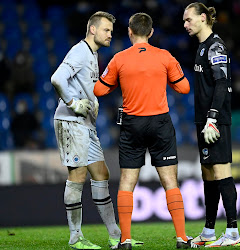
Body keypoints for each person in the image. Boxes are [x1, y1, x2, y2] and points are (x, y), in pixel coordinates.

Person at [94, 12, 199, 249]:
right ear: (151, 33)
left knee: (127, 182)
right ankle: (182, 238)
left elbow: (99, 91)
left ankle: (126, 240)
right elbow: (184, 88)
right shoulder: (164, 57)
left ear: (129, 32)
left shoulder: (119, 59)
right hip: (160, 122)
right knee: (170, 181)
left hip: (132, 124)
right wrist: (166, 78)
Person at [51, 11, 143, 250]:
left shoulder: (92, 54)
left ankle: (116, 235)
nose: (110, 34)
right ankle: (75, 237)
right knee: (78, 176)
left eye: (111, 31)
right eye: (106, 30)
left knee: (101, 173)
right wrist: (73, 103)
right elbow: (57, 78)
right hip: (71, 121)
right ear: (93, 29)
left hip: (85, 124)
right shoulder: (80, 51)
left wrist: (92, 102)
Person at [183, 2, 240, 247]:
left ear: (203, 18)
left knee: (221, 171)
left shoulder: (215, 46)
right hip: (204, 119)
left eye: (188, 19)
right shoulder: (201, 48)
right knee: (208, 173)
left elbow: (221, 83)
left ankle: (232, 232)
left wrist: (213, 118)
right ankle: (208, 231)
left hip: (214, 120)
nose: (185, 24)